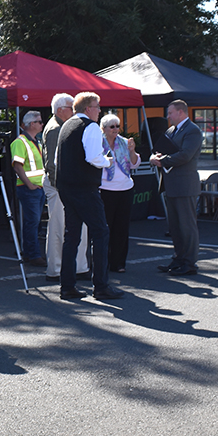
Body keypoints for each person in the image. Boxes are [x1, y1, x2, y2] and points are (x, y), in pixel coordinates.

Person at [55, 92, 124, 301]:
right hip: (84, 188)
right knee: (100, 233)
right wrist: (109, 161)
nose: (99, 110)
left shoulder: (67, 125)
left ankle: (67, 285)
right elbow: (93, 157)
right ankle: (101, 286)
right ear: (88, 109)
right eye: (97, 106)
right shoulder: (90, 127)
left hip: (66, 187)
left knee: (72, 236)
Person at [148, 100, 203, 276]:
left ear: (180, 112)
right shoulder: (171, 131)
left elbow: (186, 155)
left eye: (170, 113)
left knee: (187, 226)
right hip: (171, 184)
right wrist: (155, 156)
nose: (168, 116)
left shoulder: (192, 130)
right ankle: (179, 258)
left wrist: (162, 160)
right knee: (175, 226)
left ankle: (190, 263)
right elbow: (164, 150)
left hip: (185, 185)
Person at [41, 93, 86, 282]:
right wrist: (62, 187)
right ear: (60, 110)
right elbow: (52, 163)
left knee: (69, 226)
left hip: (64, 183)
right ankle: (57, 269)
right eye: (71, 107)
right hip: (59, 184)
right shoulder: (54, 129)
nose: (74, 111)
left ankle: (75, 267)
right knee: (59, 227)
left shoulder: (61, 126)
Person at [99, 113, 139, 274]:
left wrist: (132, 151)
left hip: (125, 189)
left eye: (117, 126)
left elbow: (135, 164)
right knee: (105, 228)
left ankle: (119, 262)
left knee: (122, 228)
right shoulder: (98, 143)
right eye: (112, 126)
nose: (116, 129)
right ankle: (104, 262)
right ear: (104, 129)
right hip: (105, 189)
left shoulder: (124, 142)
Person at [11, 110, 47, 267]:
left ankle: (30, 252)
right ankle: (33, 254)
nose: (42, 124)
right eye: (39, 122)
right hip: (30, 188)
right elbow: (17, 166)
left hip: (37, 187)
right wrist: (29, 184)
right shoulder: (20, 142)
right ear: (31, 124)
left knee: (34, 222)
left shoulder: (34, 141)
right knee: (32, 222)